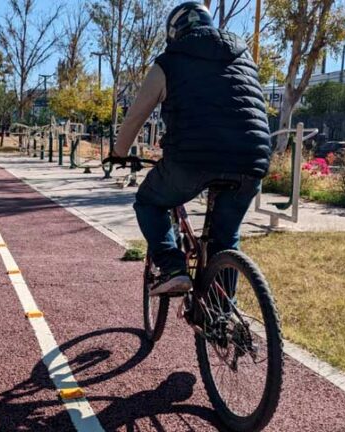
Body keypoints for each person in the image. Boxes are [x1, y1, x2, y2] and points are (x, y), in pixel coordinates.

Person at [110, 1, 272, 296]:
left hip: (192, 159)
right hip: (252, 158)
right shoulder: (244, 57)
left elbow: (136, 116)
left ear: (174, 32)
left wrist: (119, 152)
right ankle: (222, 316)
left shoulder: (168, 62)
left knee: (149, 201)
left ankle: (172, 266)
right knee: (226, 238)